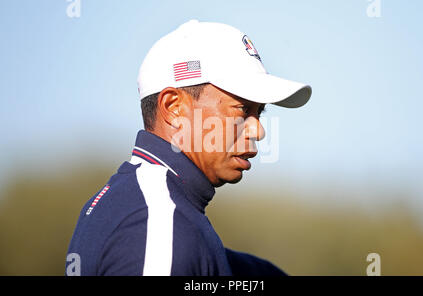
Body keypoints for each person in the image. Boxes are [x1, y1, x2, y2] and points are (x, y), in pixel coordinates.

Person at [65, 20, 312, 276]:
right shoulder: (158, 222)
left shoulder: (139, 206)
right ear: (174, 108)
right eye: (242, 109)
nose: (258, 131)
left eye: (259, 112)